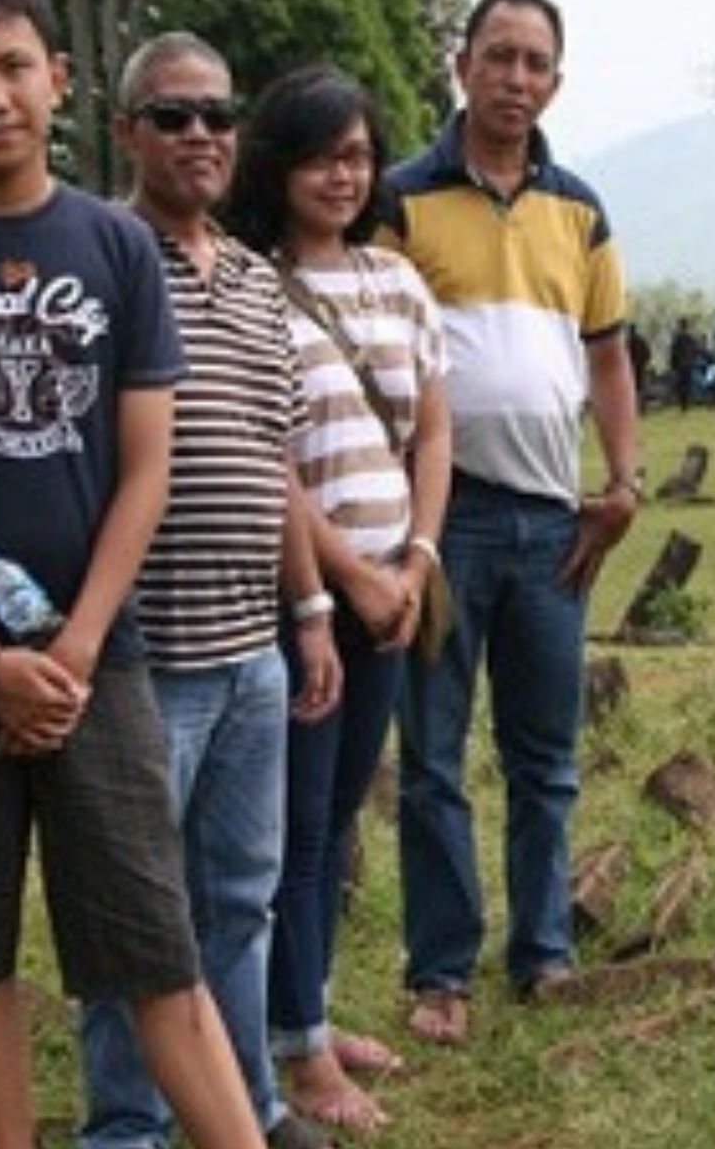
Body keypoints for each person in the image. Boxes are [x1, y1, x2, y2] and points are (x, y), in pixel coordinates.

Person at [0, 30, 335, 1149]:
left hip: (102, 660)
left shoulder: (115, 250)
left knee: (155, 942)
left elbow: (148, 464)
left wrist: (73, 648)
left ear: (56, 76)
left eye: (13, 68)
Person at [381, 0, 642, 1045]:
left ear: (556, 81)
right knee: (433, 754)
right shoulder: (399, 198)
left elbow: (608, 354)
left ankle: (543, 954)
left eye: (536, 63)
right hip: (442, 525)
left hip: (550, 525)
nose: (516, 80)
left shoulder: (580, 211)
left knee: (545, 754)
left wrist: (623, 484)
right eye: (500, 57)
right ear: (463, 66)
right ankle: (440, 970)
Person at [224, 65, 453, 1134]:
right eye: (320, 155)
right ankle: (298, 1055)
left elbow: (434, 433)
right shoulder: (250, 288)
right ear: (277, 166)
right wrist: (347, 578)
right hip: (303, 597)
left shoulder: (399, 283)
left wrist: (412, 557)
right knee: (298, 827)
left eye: (358, 155)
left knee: (341, 808)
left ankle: (304, 1017)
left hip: (394, 593)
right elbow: (266, 458)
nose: (342, 173)